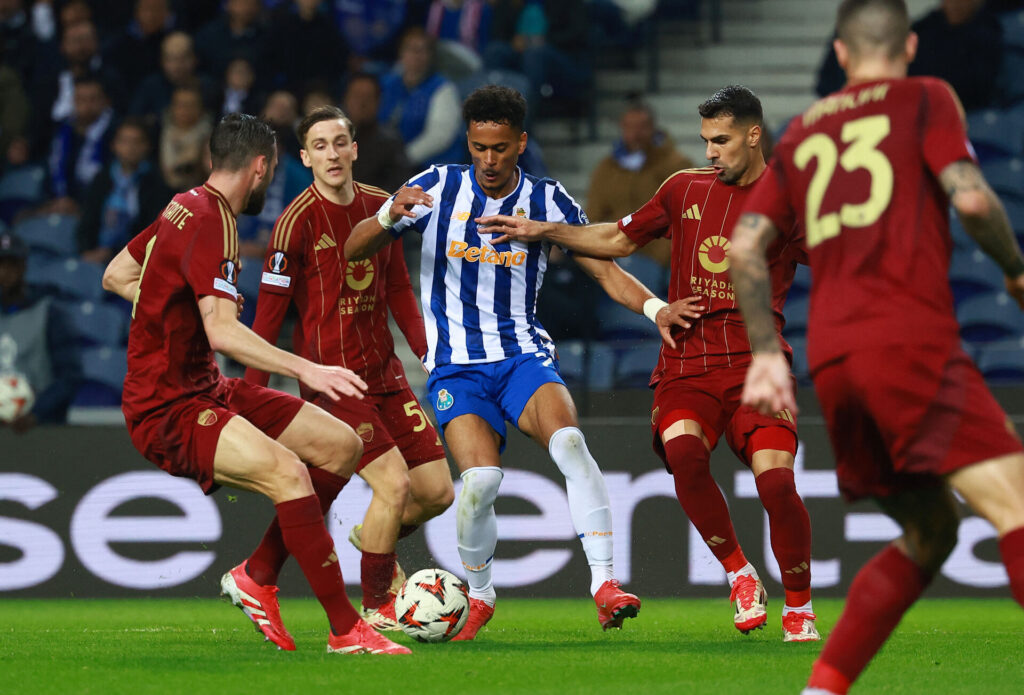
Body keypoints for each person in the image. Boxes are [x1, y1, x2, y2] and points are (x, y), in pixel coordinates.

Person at [729, 1, 1024, 692]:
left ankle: (822, 687)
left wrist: (768, 353)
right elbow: (974, 201)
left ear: (839, 53)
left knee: (930, 534)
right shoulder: (925, 97)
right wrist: (1013, 269)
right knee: (1016, 505)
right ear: (912, 45)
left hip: (833, 362)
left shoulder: (801, 131)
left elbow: (744, 246)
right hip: (906, 341)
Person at [477, 85, 818, 643]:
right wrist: (545, 231)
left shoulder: (788, 203)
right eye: (705, 139)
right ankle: (739, 573)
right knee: (684, 454)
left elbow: (840, 257)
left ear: (754, 136)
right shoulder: (683, 189)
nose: (709, 151)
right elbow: (615, 238)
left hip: (757, 360)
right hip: (689, 358)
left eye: (722, 140)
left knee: (777, 485)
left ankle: (800, 607)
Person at [345, 85, 664, 640]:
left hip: (522, 357)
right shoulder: (435, 187)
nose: (488, 160)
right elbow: (353, 247)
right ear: (468, 142)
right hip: (457, 369)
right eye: (478, 147)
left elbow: (606, 269)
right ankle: (482, 595)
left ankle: (605, 585)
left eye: (499, 148)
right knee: (480, 482)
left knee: (568, 442)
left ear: (520, 142)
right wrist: (386, 217)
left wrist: (656, 309)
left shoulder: (548, 200)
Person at [101, 113, 409, 655]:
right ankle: (346, 631)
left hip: (206, 388)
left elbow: (119, 275)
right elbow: (222, 330)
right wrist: (306, 369)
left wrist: (182, 310)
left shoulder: (182, 205)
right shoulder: (214, 221)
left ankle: (257, 574)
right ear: (262, 166)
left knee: (342, 445)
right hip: (167, 406)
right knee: (290, 474)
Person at [233, 105, 454, 637]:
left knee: (438, 492)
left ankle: (360, 541)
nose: (332, 154)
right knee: (394, 485)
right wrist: (251, 397)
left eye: (340, 143)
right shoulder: (295, 221)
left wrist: (427, 354)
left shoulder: (384, 206)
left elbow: (398, 287)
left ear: (354, 149)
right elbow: (268, 315)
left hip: (387, 374)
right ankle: (379, 606)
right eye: (320, 146)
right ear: (305, 157)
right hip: (332, 381)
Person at [584, 97, 693, 267]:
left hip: (659, 257)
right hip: (616, 252)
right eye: (629, 127)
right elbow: (594, 213)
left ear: (653, 128)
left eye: (642, 127)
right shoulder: (607, 168)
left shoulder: (676, 165)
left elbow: (686, 215)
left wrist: (663, 255)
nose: (635, 134)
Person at [0, 231, 78, 431]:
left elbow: (70, 375)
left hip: (40, 431)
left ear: (23, 267)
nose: (3, 273)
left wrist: (37, 413)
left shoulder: (49, 313)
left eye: (10, 265)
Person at [77, 116, 171, 264]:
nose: (130, 148)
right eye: (124, 141)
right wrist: (86, 251)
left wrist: (112, 253)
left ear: (147, 146)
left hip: (134, 261)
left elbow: (152, 232)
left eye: (136, 142)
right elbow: (87, 219)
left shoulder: (156, 184)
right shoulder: (102, 178)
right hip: (93, 256)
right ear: (114, 145)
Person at [378, 27, 462, 169]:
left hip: (429, 168)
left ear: (431, 56)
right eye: (411, 49)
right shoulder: (386, 84)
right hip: (388, 162)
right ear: (401, 53)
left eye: (422, 50)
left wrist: (403, 157)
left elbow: (439, 137)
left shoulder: (443, 89)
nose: (416, 55)